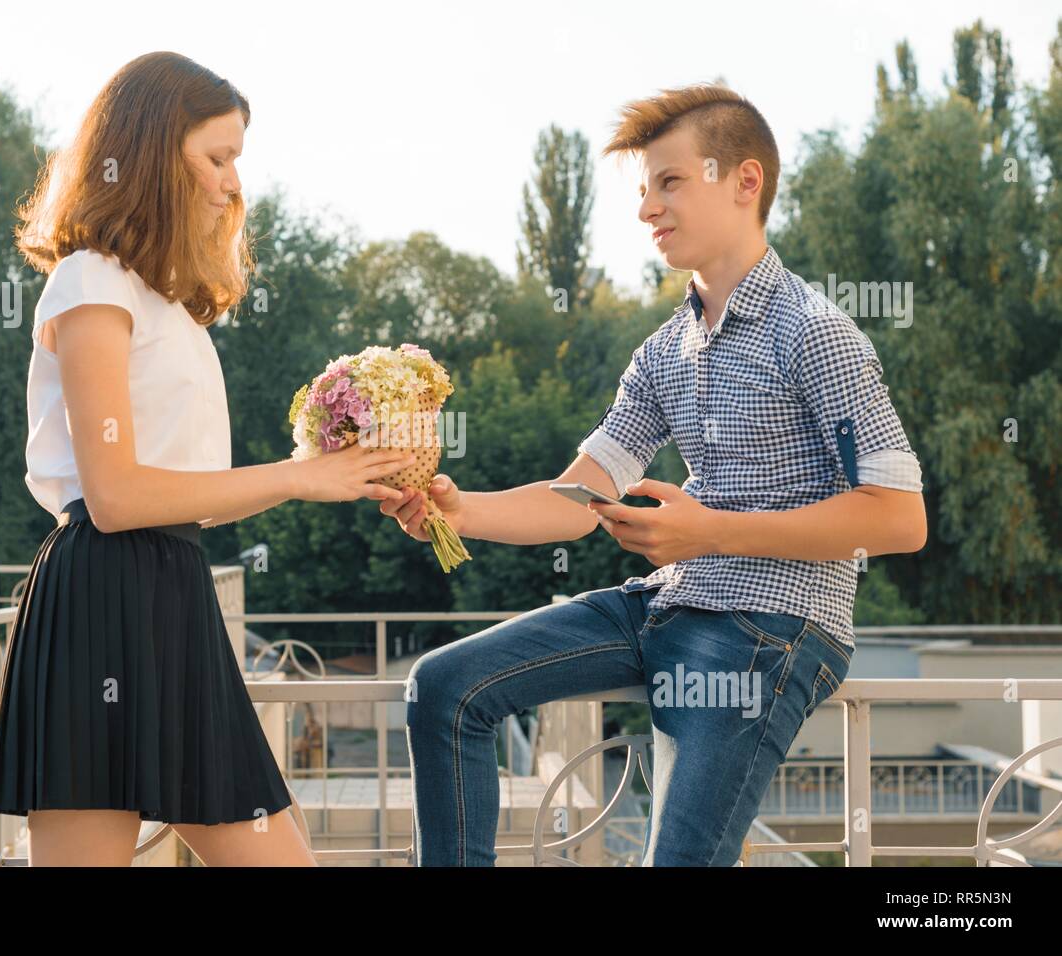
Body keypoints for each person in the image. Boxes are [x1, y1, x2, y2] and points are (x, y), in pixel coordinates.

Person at [380, 83, 927, 866]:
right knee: (443, 687)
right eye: (643, 190)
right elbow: (580, 497)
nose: (646, 210)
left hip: (765, 631)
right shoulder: (664, 351)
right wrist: (457, 509)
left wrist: (707, 532)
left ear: (745, 182)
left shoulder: (817, 333)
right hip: (661, 607)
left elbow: (900, 518)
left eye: (669, 182)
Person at [0, 51, 415, 866]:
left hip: (174, 592)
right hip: (100, 597)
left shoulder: (170, 305)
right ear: (149, 151)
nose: (231, 183)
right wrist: (297, 475)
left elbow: (194, 499)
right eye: (217, 158)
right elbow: (113, 496)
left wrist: (320, 474)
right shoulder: (89, 281)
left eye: (236, 162)